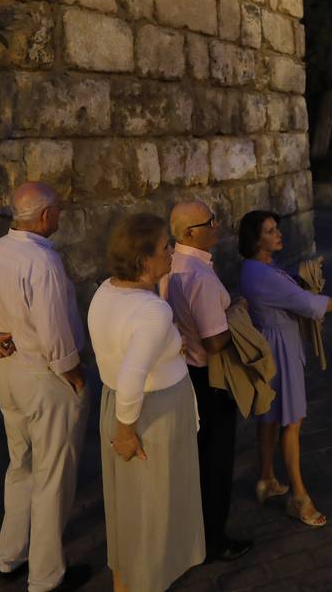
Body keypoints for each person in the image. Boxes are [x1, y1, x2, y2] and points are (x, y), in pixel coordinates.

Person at [0, 183, 91, 592]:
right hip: (46, 377)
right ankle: (46, 576)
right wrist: (73, 371)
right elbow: (54, 331)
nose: (60, 216)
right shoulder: (41, 263)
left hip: (9, 373)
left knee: (21, 465)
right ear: (44, 216)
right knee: (53, 476)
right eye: (58, 210)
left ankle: (11, 555)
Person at [90, 214, 205, 592]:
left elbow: (126, 350)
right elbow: (131, 379)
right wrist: (126, 433)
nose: (172, 252)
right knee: (153, 513)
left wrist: (173, 347)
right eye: (165, 247)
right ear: (144, 260)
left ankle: (123, 584)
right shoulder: (153, 310)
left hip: (119, 408)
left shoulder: (105, 291)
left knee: (128, 511)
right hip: (150, 417)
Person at [239, 210, 332, 527]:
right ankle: (299, 496)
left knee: (269, 417)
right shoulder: (263, 274)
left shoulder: (256, 269)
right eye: (270, 231)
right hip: (280, 349)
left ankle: (266, 479)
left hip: (271, 344)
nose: (278, 234)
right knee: (291, 422)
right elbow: (306, 304)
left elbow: (286, 287)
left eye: (276, 228)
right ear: (255, 240)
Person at [161, 202, 252, 564]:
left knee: (195, 459)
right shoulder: (198, 275)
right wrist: (239, 316)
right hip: (209, 375)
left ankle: (191, 535)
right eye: (210, 221)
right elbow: (214, 340)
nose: (218, 225)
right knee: (216, 462)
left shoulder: (172, 265)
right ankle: (214, 540)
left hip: (184, 374)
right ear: (189, 233)